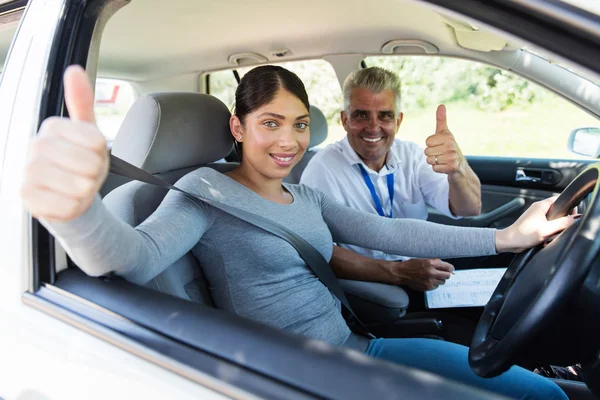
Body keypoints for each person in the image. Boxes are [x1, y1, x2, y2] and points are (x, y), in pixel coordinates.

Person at [21, 64, 573, 399]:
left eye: (300, 125)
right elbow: (138, 258)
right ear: (238, 127)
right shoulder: (201, 193)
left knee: (538, 392)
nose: (289, 142)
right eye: (270, 124)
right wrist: (77, 213)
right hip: (299, 378)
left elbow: (395, 231)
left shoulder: (304, 192)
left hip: (363, 349)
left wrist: (508, 238)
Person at [301, 67, 481, 292]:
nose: (373, 127)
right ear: (345, 120)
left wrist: (458, 169)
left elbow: (470, 208)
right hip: (370, 286)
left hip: (423, 272)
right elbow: (318, 250)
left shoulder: (413, 156)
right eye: (361, 115)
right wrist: (398, 273)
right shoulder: (321, 170)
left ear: (398, 121)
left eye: (385, 115)